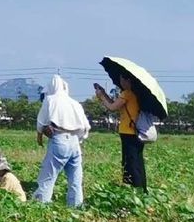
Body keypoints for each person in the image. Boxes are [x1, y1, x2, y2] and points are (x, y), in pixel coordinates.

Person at [32, 75, 90, 208]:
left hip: (59, 139)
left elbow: (41, 121)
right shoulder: (75, 103)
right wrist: (78, 139)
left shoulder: (50, 100)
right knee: (75, 178)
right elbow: (85, 126)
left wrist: (39, 136)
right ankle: (76, 206)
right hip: (75, 142)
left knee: (48, 175)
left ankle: (41, 205)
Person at [95, 79, 149, 189]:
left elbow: (112, 107)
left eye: (122, 79)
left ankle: (133, 186)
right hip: (136, 131)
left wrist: (101, 97)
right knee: (137, 161)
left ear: (127, 81)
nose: (120, 82)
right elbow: (115, 104)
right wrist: (104, 94)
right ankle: (141, 188)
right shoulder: (136, 93)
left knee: (130, 162)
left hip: (128, 131)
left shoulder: (127, 93)